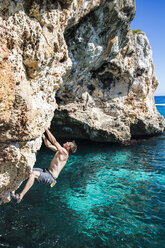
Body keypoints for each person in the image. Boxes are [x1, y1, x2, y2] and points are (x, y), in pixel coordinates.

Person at [11, 127, 77, 203]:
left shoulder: (64, 153)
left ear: (68, 148)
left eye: (69, 143)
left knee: (33, 174)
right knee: (28, 170)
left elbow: (54, 141)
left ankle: (20, 196)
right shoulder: (60, 151)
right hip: (46, 171)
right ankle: (13, 190)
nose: (67, 141)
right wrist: (43, 135)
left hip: (50, 177)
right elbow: (48, 145)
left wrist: (46, 129)